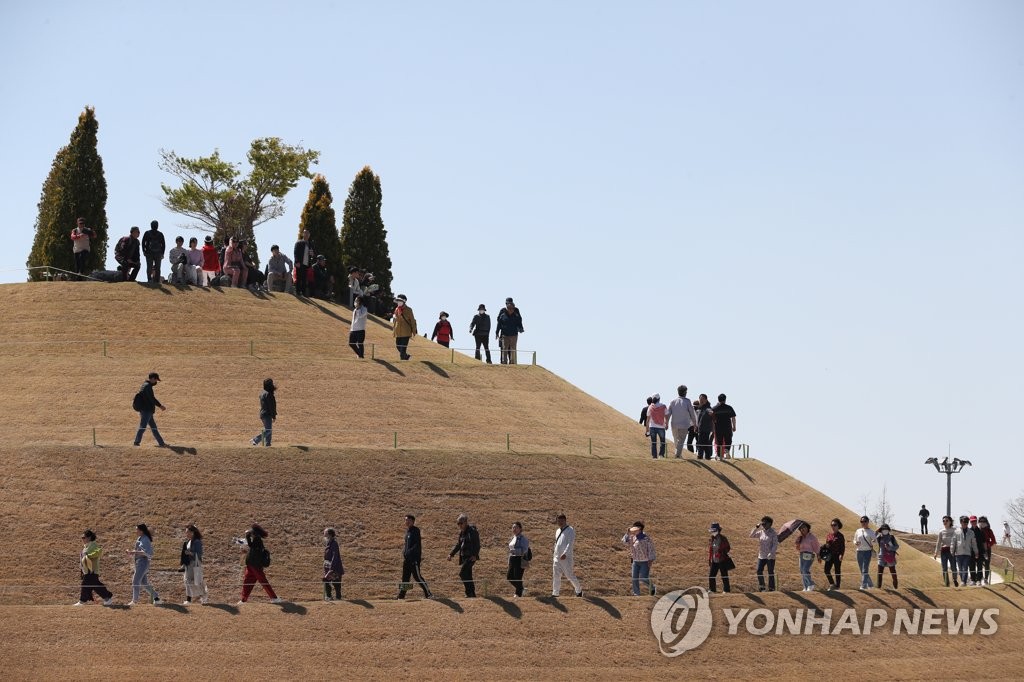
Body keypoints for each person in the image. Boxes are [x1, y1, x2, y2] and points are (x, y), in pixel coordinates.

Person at [239, 523, 282, 603]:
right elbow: (251, 547)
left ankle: (274, 598)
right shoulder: (256, 539)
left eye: (251, 532)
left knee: (262, 581)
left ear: (254, 533)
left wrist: (247, 537)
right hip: (251, 565)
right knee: (247, 582)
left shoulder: (257, 540)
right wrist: (247, 538)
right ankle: (243, 600)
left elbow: (251, 546)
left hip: (255, 565)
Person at [125, 523, 161, 606]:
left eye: (137, 529)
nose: (136, 531)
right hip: (140, 562)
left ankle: (134, 601)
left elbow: (146, 552)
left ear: (141, 531)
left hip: (143, 563)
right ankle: (156, 598)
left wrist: (133, 552)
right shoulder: (141, 538)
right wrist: (132, 553)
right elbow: (140, 551)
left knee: (135, 581)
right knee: (144, 583)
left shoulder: (145, 539)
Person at [75, 529, 114, 606]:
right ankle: (107, 598)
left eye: (84, 537)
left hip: (92, 570)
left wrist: (89, 555)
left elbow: (99, 551)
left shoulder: (93, 545)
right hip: (87, 571)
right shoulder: (86, 547)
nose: (82, 539)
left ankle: (82, 601)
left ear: (89, 537)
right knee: (95, 586)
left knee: (85, 584)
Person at [397, 515, 432, 599]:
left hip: (414, 559)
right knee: (405, 578)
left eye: (408, 520)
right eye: (405, 520)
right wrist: (404, 552)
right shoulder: (407, 532)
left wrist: (409, 552)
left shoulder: (416, 530)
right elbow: (406, 545)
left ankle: (429, 594)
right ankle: (401, 596)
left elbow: (416, 545)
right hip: (407, 559)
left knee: (417, 577)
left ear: (413, 521)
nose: (406, 522)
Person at [448, 513, 481, 598]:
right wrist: (451, 554)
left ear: (466, 522)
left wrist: (475, 555)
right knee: (468, 575)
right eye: (458, 523)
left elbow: (477, 544)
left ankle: (469, 592)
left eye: (461, 523)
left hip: (471, 556)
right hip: (464, 557)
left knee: (462, 573)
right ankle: (472, 594)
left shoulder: (472, 531)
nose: (459, 525)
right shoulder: (462, 533)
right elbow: (458, 545)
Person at [622, 521, 656, 596]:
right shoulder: (632, 537)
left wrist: (651, 560)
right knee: (634, 578)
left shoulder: (646, 538)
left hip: (645, 561)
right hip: (635, 561)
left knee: (643, 578)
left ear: (639, 529)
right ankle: (636, 594)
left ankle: (652, 587)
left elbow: (651, 549)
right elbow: (624, 542)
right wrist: (627, 533)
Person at [133, 372, 167, 447]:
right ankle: (136, 442)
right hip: (146, 410)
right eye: (156, 380)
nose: (156, 382)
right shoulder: (147, 386)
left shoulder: (145, 385)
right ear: (152, 378)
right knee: (143, 427)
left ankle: (161, 443)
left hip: (147, 410)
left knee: (153, 427)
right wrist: (160, 406)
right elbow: (152, 399)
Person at [552, 513, 582, 597]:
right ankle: (555, 593)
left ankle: (579, 590)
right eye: (558, 521)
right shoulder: (557, 531)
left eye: (562, 520)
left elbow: (570, 543)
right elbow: (557, 543)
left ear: (565, 520)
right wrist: (555, 555)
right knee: (556, 575)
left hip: (566, 557)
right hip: (557, 557)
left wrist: (565, 553)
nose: (560, 522)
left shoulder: (570, 530)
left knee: (569, 575)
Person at [666, 385, 698, 458]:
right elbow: (692, 414)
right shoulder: (687, 401)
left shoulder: (673, 401)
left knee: (676, 440)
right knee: (681, 441)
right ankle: (677, 455)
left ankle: (678, 454)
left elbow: (668, 414)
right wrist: (695, 424)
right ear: (685, 392)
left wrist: (666, 423)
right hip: (684, 425)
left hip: (674, 424)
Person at [181, 524, 208, 605]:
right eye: (186, 532)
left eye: (188, 532)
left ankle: (203, 595)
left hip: (195, 563)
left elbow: (199, 554)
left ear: (193, 532)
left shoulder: (197, 542)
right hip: (188, 564)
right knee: (187, 581)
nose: (187, 534)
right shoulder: (188, 542)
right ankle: (189, 599)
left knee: (197, 581)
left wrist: (190, 553)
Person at [750, 516, 779, 592]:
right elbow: (751, 535)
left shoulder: (773, 533)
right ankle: (762, 587)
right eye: (762, 523)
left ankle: (771, 588)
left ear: (770, 524)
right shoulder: (761, 532)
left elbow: (775, 544)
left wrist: (771, 553)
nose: (763, 525)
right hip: (761, 555)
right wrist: (756, 527)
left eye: (765, 523)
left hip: (770, 557)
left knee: (770, 572)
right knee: (759, 570)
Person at [951, 515, 979, 587]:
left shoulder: (971, 532)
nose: (965, 523)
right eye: (964, 522)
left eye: (967, 522)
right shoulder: (956, 532)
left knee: (965, 568)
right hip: (958, 553)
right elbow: (953, 542)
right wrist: (952, 551)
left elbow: (974, 543)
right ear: (961, 522)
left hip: (967, 553)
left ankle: (963, 581)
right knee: (960, 569)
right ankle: (963, 580)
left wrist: (976, 552)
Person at [496, 297, 525, 364]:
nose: (508, 304)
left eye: (509, 303)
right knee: (503, 348)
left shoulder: (516, 310)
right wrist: (497, 331)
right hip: (504, 332)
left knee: (512, 349)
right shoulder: (502, 311)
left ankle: (512, 362)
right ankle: (503, 362)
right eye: (507, 303)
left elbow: (519, 319)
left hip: (513, 333)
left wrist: (520, 327)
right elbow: (499, 321)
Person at [707, 522, 733, 593]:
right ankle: (712, 590)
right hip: (714, 560)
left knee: (724, 575)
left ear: (718, 530)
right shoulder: (712, 539)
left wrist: (721, 552)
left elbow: (728, 548)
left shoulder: (723, 538)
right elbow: (711, 549)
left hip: (722, 560)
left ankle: (726, 590)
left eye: (714, 531)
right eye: (712, 531)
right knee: (711, 575)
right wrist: (710, 559)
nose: (712, 532)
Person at [250, 378, 277, 446]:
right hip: (267, 414)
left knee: (268, 429)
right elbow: (271, 406)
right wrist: (274, 416)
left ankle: (268, 444)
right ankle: (255, 440)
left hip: (262, 414)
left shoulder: (262, 393)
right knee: (268, 430)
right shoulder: (269, 394)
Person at [507, 521, 531, 598]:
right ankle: (521, 589)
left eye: (516, 527)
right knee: (509, 577)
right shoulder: (513, 537)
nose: (514, 529)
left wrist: (515, 551)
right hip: (512, 558)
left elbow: (525, 549)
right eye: (513, 527)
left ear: (520, 529)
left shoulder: (523, 539)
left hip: (519, 559)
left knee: (517, 577)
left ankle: (518, 593)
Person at [933, 515, 959, 587]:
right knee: (944, 567)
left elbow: (957, 540)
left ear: (950, 521)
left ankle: (955, 579)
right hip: (944, 551)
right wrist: (936, 553)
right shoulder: (941, 531)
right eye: (943, 521)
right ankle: (947, 583)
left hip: (952, 550)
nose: (945, 522)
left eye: (946, 520)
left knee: (953, 566)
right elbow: (938, 542)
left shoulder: (954, 530)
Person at [853, 516, 877, 589]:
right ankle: (870, 584)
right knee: (861, 569)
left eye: (864, 521)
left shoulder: (871, 532)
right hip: (859, 551)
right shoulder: (858, 531)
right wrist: (855, 543)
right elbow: (854, 540)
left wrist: (874, 541)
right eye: (861, 521)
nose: (863, 523)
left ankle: (863, 585)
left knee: (865, 569)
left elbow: (876, 541)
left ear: (868, 522)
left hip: (867, 551)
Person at [822, 518, 845, 591]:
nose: (833, 526)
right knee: (826, 570)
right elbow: (826, 544)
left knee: (837, 571)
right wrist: (826, 545)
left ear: (838, 526)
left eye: (835, 525)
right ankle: (832, 584)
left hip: (837, 555)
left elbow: (842, 546)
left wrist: (841, 554)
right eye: (832, 525)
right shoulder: (829, 535)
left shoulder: (841, 536)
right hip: (829, 555)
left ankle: (837, 586)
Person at [795, 522, 820, 592]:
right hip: (802, 554)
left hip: (810, 554)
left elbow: (816, 546)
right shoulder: (800, 537)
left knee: (805, 569)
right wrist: (797, 544)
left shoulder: (812, 537)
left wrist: (818, 555)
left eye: (804, 527)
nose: (802, 529)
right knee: (802, 570)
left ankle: (810, 584)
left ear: (808, 528)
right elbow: (798, 548)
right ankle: (805, 587)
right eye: (801, 528)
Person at [711, 394, 737, 460]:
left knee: (719, 441)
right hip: (727, 427)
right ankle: (727, 450)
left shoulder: (714, 408)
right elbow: (733, 417)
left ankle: (719, 456)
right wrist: (734, 426)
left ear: (718, 399)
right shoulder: (729, 408)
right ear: (725, 400)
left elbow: (712, 419)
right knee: (728, 440)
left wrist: (713, 428)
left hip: (718, 427)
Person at [392, 294, 417, 360]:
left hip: (406, 332)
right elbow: (395, 320)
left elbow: (412, 320)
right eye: (398, 301)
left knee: (403, 348)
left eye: (400, 301)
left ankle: (403, 358)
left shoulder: (409, 310)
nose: (399, 302)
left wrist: (414, 331)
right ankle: (406, 356)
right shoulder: (396, 309)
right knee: (398, 346)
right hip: (398, 331)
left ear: (404, 301)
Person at [322, 528, 344, 601]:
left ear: (329, 534)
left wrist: (331, 569)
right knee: (326, 581)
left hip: (334, 567)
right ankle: (329, 596)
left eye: (325, 533)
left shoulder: (334, 543)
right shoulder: (328, 542)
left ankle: (338, 597)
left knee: (336, 583)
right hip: (327, 567)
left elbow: (335, 556)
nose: (324, 534)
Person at [293, 229, 316, 297]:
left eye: (308, 233)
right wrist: (296, 262)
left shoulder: (310, 243)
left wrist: (312, 254)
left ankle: (303, 293)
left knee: (304, 278)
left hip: (306, 264)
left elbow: (314, 253)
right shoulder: (299, 242)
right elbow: (295, 253)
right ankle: (297, 292)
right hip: (299, 263)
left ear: (309, 235)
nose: (306, 235)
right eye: (305, 233)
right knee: (299, 278)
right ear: (303, 234)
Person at [875, 523, 899, 589]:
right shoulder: (879, 537)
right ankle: (878, 587)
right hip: (881, 557)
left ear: (888, 530)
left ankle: (896, 587)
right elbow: (873, 536)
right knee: (879, 573)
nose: (885, 530)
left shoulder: (891, 537)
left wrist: (889, 548)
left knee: (893, 572)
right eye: (883, 529)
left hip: (890, 557)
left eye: (886, 529)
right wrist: (878, 530)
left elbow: (897, 546)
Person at [646, 394, 668, 459]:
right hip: (661, 427)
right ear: (659, 399)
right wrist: (666, 424)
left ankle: (654, 456)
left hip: (652, 426)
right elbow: (666, 416)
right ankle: (661, 455)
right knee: (662, 441)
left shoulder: (650, 407)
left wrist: (647, 430)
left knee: (654, 442)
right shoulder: (663, 406)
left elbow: (647, 420)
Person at [978, 516, 997, 585]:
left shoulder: (989, 530)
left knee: (986, 564)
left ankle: (986, 579)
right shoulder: (977, 530)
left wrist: (988, 545)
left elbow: (993, 540)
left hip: (987, 550)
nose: (982, 523)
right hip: (979, 549)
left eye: (983, 521)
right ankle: (980, 578)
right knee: (979, 564)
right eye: (980, 521)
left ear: (986, 522)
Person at [695, 394, 715, 460]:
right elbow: (699, 419)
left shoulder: (707, 408)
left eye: (702, 399)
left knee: (702, 442)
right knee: (704, 442)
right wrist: (696, 427)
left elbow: (711, 412)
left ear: (706, 400)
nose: (701, 400)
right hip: (701, 428)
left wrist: (711, 413)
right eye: (700, 399)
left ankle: (701, 455)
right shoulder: (701, 408)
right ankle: (707, 456)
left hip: (706, 429)